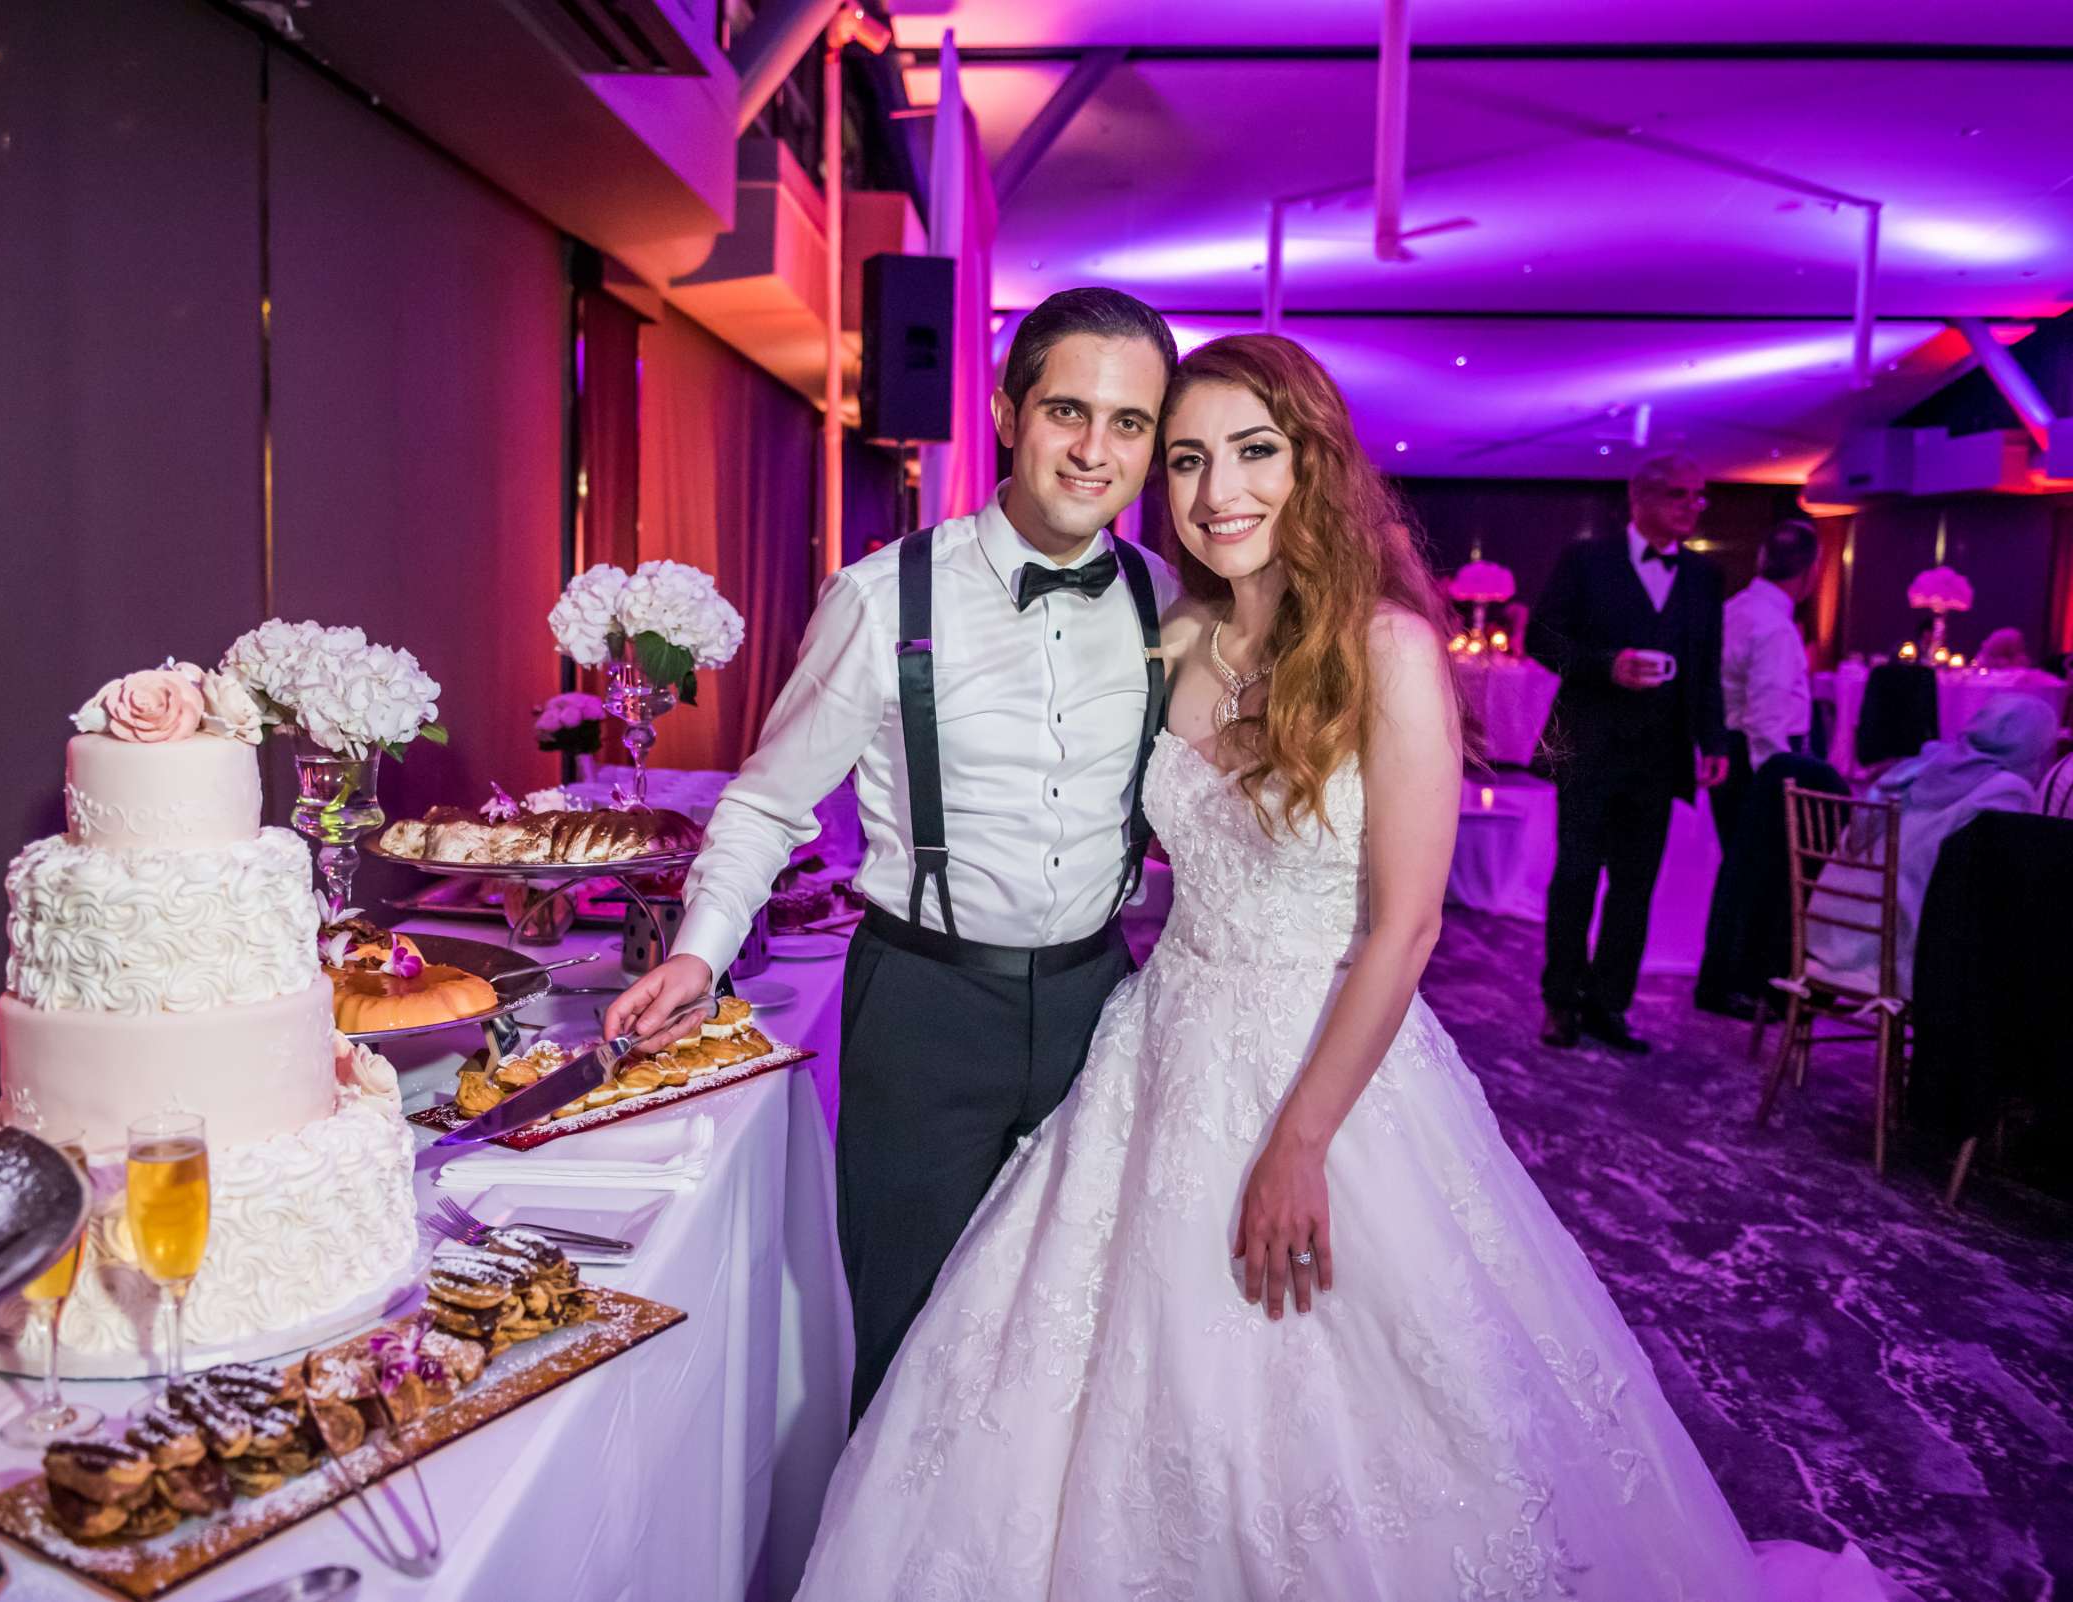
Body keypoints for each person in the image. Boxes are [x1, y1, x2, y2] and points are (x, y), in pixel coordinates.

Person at [794, 333, 1904, 1601]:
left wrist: (1301, 1142)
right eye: (1193, 459)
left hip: (1332, 1068)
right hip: (1155, 1046)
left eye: (1255, 454)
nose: (1221, 494)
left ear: (1313, 463)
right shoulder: (1170, 638)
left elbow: (1407, 930)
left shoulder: (1387, 649)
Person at [606, 287, 1182, 1420]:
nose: (1094, 450)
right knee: (909, 1348)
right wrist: (701, 955)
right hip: (923, 1009)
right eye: (1068, 410)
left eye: (1129, 424)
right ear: (1009, 414)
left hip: (1101, 1010)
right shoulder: (881, 599)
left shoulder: (1167, 602)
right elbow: (768, 805)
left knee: (1084, 1345)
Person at [1529, 453, 1731, 1053]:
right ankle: (1560, 1000)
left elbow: (1707, 668)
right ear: (1638, 499)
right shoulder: (1587, 560)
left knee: (1635, 887)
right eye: (1680, 495)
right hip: (1589, 746)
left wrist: (1713, 740)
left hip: (1659, 754)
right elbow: (1539, 637)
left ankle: (1609, 1004)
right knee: (1575, 877)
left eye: (1699, 496)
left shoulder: (1704, 578)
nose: (1694, 506)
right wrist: (1605, 665)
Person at [1806, 693, 2056, 999]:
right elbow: (1990, 880)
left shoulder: (1919, 764)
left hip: (1831, 926)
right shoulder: (2005, 788)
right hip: (1893, 950)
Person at [1695, 520, 1820, 1017]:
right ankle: (1739, 987)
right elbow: (1766, 713)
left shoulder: (1736, 610)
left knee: (1739, 874)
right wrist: (1780, 780)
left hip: (1735, 751)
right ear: (1810, 572)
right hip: (1760, 760)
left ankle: (1725, 983)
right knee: (1759, 879)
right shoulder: (1774, 626)